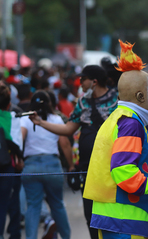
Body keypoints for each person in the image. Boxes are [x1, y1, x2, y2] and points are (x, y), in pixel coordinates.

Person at [83, 40, 148, 239]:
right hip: (124, 223)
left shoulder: (120, 118)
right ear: (141, 96)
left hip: (118, 221)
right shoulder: (131, 123)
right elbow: (123, 170)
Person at [29, 65, 118, 239]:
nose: (80, 83)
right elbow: (68, 129)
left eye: (82, 79)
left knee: (111, 212)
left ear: (94, 81)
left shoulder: (117, 99)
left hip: (112, 167)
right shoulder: (82, 102)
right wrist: (40, 123)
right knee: (90, 214)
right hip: (88, 169)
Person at [21, 90, 74, 239]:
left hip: (31, 166)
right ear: (50, 103)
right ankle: (66, 237)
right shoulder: (56, 119)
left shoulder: (26, 120)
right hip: (53, 166)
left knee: (32, 206)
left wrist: (18, 159)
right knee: (57, 204)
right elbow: (65, 144)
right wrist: (70, 165)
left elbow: (20, 139)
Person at [0, 84, 23, 239]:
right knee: (8, 201)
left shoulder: (12, 115)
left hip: (8, 164)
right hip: (9, 165)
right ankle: (13, 233)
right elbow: (13, 141)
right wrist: (20, 156)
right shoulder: (13, 116)